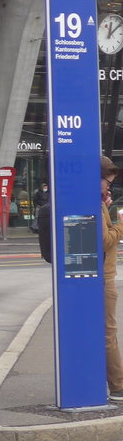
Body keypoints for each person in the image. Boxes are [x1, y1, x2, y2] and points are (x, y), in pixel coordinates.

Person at [101, 157, 123, 402]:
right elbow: (105, 241)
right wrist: (121, 226)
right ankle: (117, 385)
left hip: (104, 275)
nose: (110, 187)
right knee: (109, 331)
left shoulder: (98, 202)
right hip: (105, 277)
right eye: (108, 181)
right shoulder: (96, 205)